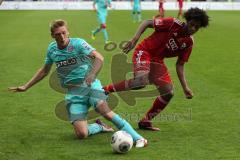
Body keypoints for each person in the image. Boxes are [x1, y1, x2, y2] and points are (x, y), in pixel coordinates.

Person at [9, 19, 147, 147]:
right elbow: (44, 71)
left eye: (64, 33)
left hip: (90, 85)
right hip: (73, 93)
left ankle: (138, 138)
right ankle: (99, 127)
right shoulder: (52, 50)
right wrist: (26, 86)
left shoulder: (78, 43)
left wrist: (92, 74)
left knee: (104, 110)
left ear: (68, 32)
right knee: (82, 134)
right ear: (52, 35)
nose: (62, 37)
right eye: (58, 34)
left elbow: (99, 57)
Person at [103, 8, 209, 131]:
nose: (193, 29)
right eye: (192, 25)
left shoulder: (189, 42)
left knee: (168, 92)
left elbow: (180, 64)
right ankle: (105, 90)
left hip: (157, 61)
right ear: (187, 20)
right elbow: (147, 22)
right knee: (141, 81)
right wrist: (134, 39)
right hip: (144, 51)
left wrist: (185, 88)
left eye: (197, 27)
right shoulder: (173, 23)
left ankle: (145, 121)